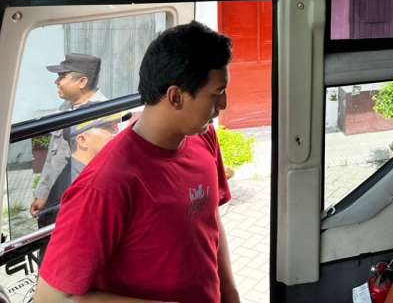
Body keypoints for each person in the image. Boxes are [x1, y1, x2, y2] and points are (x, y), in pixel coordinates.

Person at [33, 21, 239, 303]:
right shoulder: (107, 184)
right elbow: (51, 297)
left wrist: (231, 293)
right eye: (216, 94)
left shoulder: (203, 137)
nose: (224, 104)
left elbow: (209, 218)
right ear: (176, 96)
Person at [31, 54, 106, 225]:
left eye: (62, 76)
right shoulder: (65, 109)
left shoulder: (104, 115)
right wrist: (43, 194)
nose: (56, 82)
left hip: (83, 206)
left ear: (82, 82)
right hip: (58, 199)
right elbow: (53, 157)